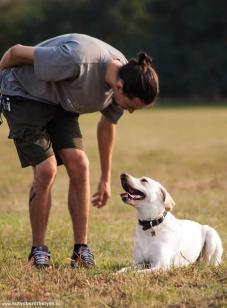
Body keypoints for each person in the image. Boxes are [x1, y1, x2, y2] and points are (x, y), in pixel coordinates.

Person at [0, 33, 159, 268]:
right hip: (22, 93)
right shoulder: (77, 60)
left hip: (59, 103)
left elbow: (107, 127)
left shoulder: (125, 76)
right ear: (119, 87)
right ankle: (38, 251)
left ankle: (80, 250)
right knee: (46, 170)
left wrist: (105, 179)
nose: (130, 112)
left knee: (81, 165)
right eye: (130, 106)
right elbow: (15, 52)